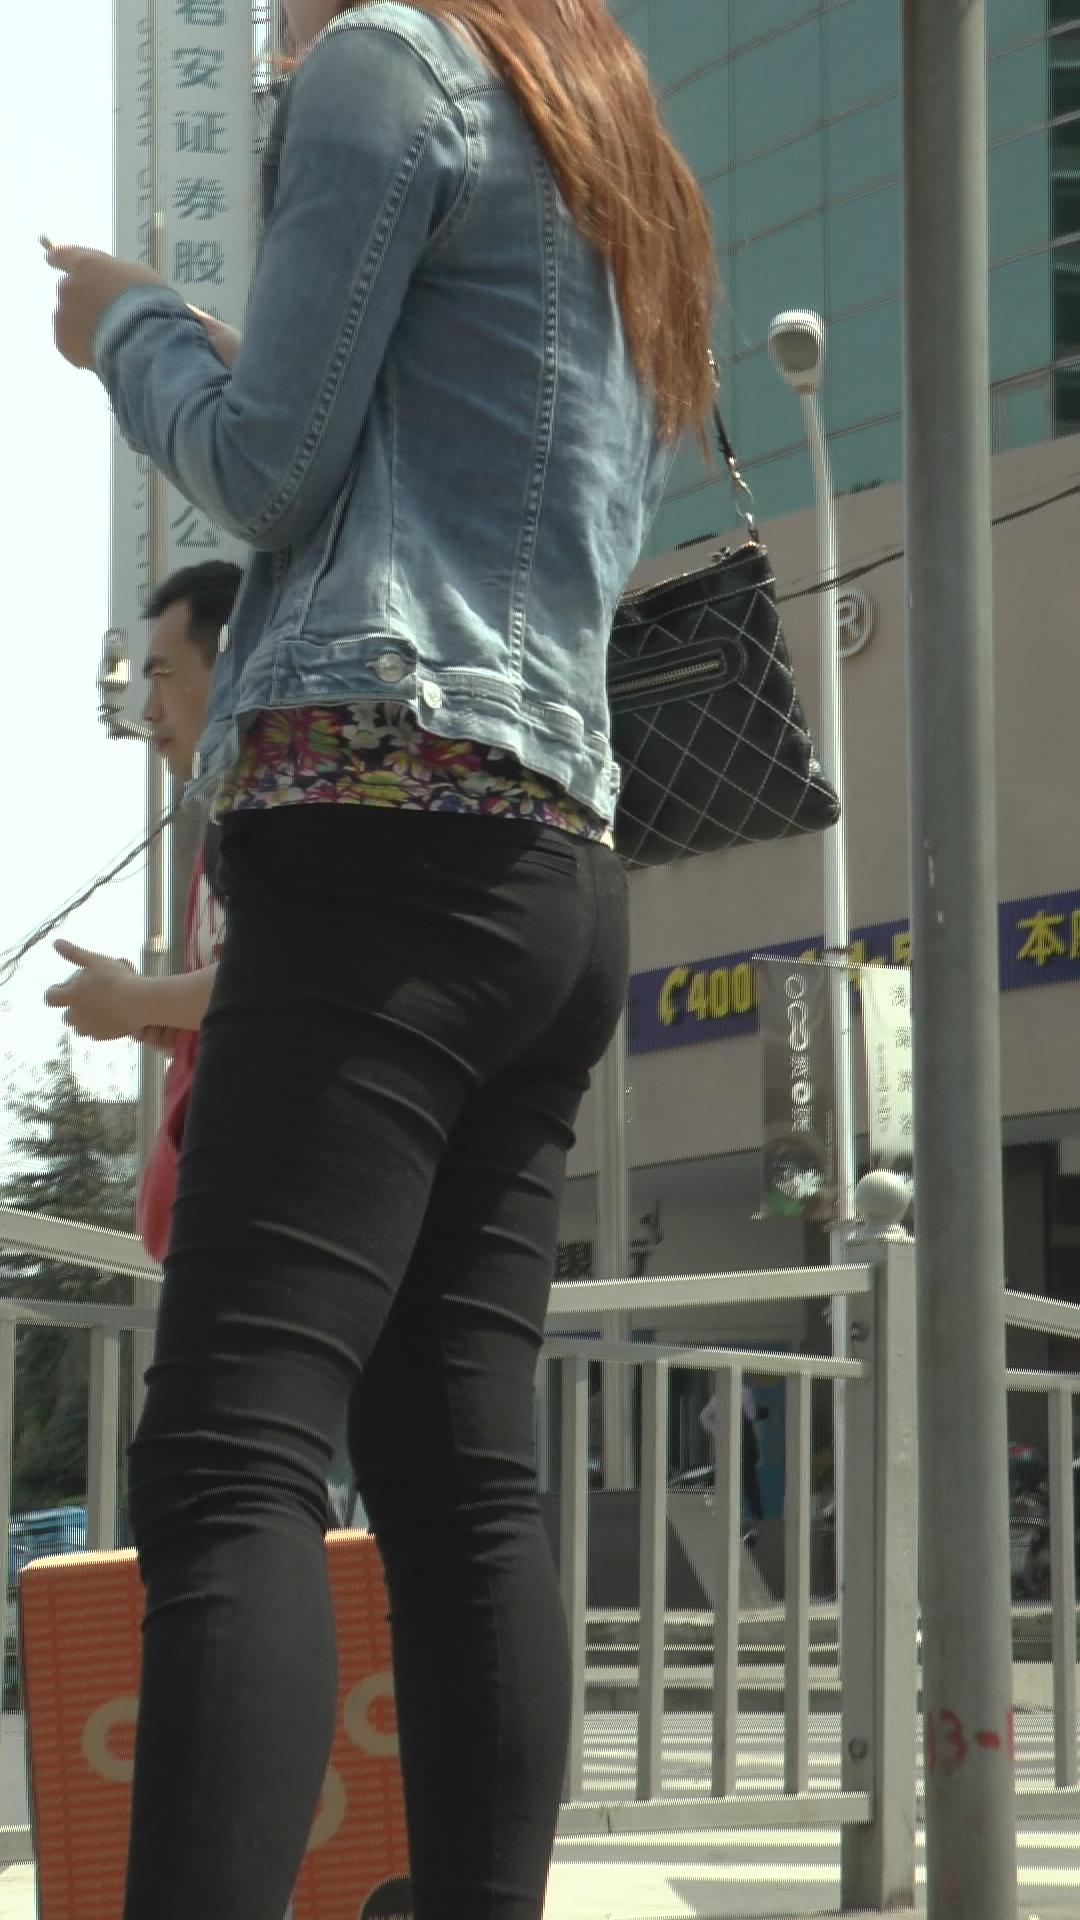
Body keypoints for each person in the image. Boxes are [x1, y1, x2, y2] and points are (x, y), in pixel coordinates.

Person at [45, 5, 717, 1916]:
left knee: (230, 1459)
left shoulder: (386, 66)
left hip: (379, 819)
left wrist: (132, 330)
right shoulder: (613, 143)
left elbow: (265, 474)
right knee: (457, 1481)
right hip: (552, 863)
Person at [45, 562, 242, 1261]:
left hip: (248, 1223)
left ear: (231, 666)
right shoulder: (223, 822)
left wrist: (135, 999)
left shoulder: (274, 820)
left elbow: (277, 979)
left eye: (161, 676)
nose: (148, 710)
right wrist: (162, 1015)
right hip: (212, 1228)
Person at [700, 1381, 768, 1533]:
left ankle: (723, 1517)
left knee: (726, 1483)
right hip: (744, 1447)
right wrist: (760, 1412)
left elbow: (703, 1418)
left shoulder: (718, 1398)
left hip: (727, 1447)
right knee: (750, 1485)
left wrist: (718, 1431)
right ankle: (757, 1521)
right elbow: (751, 1415)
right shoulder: (744, 1392)